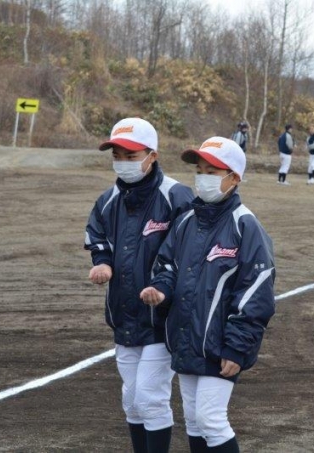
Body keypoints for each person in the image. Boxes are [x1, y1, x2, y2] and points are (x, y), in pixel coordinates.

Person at [139, 136, 276, 453]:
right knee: (194, 420)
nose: (203, 178)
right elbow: (167, 266)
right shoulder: (185, 221)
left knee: (210, 419)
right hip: (187, 339)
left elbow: (256, 292)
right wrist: (160, 289)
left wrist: (237, 347)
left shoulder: (246, 225)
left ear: (234, 178)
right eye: (199, 170)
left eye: (212, 172)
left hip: (220, 345)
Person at [84, 117, 194, 453]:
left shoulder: (176, 196)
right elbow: (97, 236)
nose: (123, 162)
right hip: (124, 313)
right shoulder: (108, 199)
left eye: (131, 156)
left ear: (152, 156)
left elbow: (189, 251)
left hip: (163, 318)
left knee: (149, 397)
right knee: (131, 400)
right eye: (117, 155)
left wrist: (163, 287)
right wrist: (102, 262)